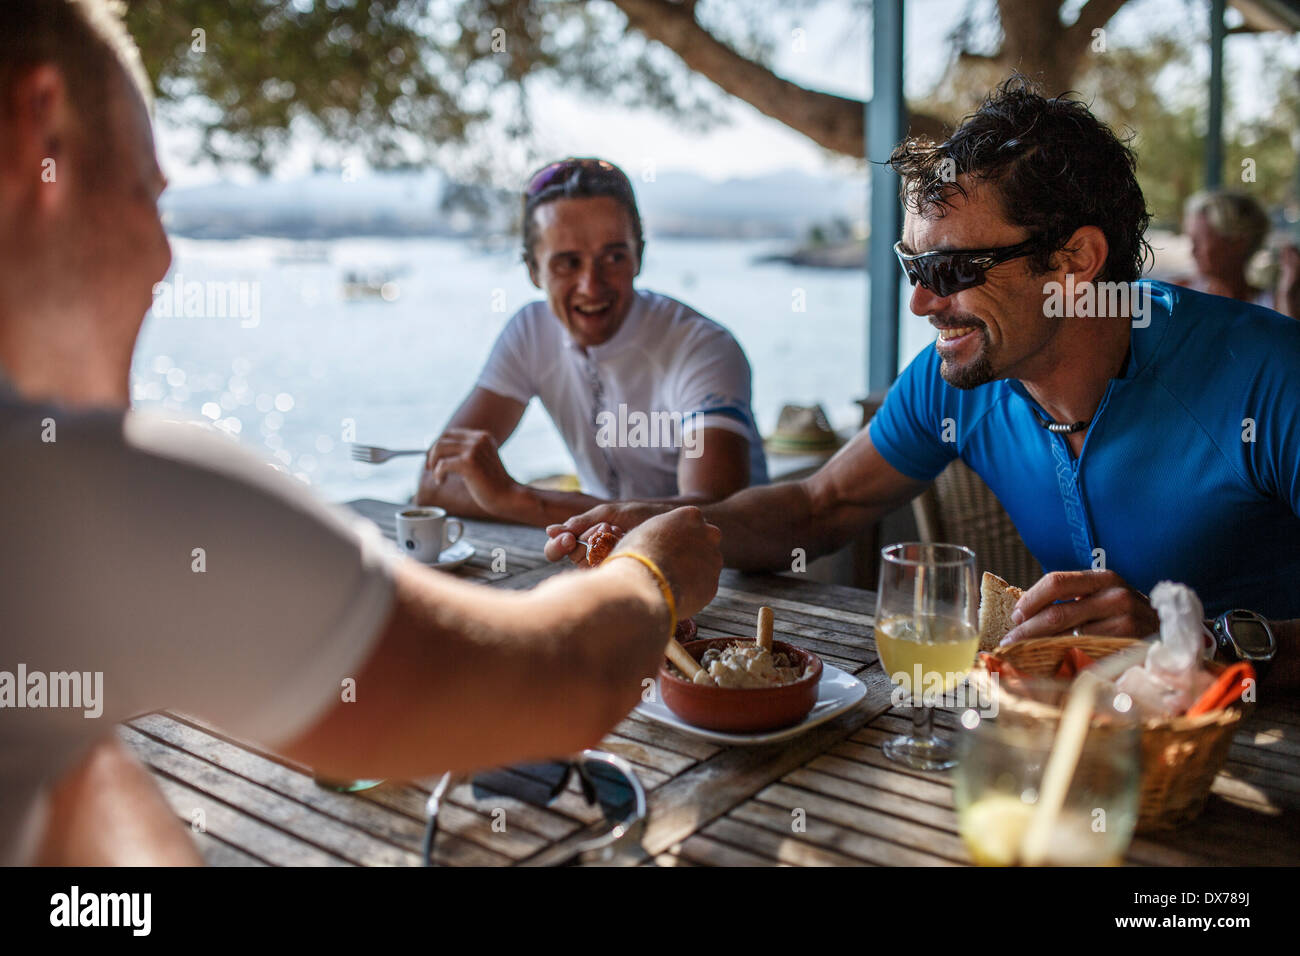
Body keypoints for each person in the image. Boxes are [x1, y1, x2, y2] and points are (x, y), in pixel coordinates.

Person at [0, 0, 722, 866]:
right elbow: (551, 681)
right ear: (35, 139)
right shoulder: (83, 494)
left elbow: (76, 790)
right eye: (143, 192)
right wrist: (653, 574)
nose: (165, 256)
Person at [545, 78, 1300, 688]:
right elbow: (820, 505)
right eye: (914, 267)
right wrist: (668, 524)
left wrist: (1203, 643)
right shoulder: (963, 379)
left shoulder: (1266, 378)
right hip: (1090, 742)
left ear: (1076, 261)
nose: (921, 302)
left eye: (951, 271)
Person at [416, 157, 768, 526]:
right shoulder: (530, 332)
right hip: (605, 557)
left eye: (613, 257)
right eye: (568, 263)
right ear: (533, 271)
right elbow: (434, 484)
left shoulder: (703, 347)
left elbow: (712, 516)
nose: (592, 285)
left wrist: (518, 499)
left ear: (639, 257)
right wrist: (520, 501)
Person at [1174, 189, 1300, 319]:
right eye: (1192, 240)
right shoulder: (1177, 295)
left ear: (1238, 241)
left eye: (1200, 240)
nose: (1193, 250)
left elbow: (1290, 338)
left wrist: (1287, 293)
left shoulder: (1274, 305)